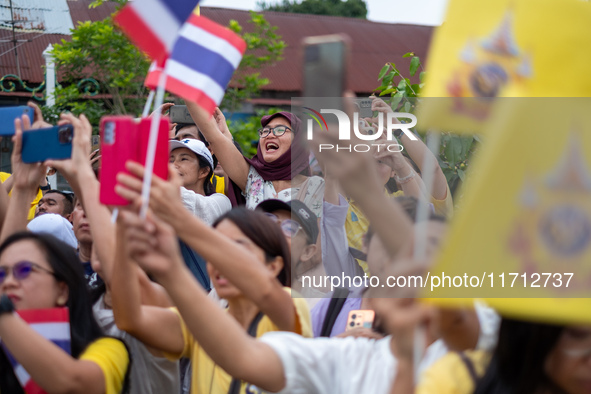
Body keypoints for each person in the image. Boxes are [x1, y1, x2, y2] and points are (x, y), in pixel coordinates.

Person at [111, 202, 311, 394]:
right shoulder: (202, 324)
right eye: (213, 252)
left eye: (236, 249)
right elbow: (130, 318)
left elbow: (267, 292)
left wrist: (178, 218)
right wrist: (122, 233)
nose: (219, 261)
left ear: (273, 266)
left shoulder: (291, 306)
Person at [0, 231, 130, 394]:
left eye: (24, 270)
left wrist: (3, 313)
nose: (8, 283)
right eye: (1, 275)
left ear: (62, 291)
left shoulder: (110, 349)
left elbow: (72, 384)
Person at [186, 102, 325, 216]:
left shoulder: (316, 186)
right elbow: (213, 137)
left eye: (280, 130)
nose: (270, 135)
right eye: (265, 131)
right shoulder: (253, 179)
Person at [169, 138, 231, 225]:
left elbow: (193, 204)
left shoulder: (221, 202)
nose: (173, 165)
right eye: (170, 160)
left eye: (183, 159)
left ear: (204, 171)